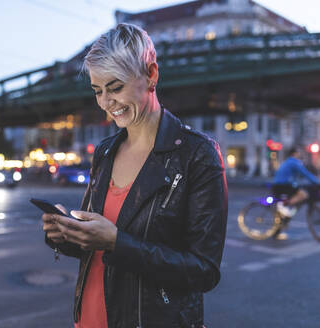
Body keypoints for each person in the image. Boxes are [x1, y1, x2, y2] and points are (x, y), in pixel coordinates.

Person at [42, 23, 228, 328]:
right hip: (89, 319)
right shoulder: (105, 151)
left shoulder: (197, 154)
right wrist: (65, 235)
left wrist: (119, 243)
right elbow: (96, 244)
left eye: (115, 88)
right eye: (97, 91)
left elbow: (204, 271)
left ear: (151, 75)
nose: (105, 102)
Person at [272, 146, 320, 239]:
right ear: (293, 153)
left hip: (283, 185)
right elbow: (305, 173)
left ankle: (284, 217)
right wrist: (317, 182)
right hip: (283, 185)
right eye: (298, 152)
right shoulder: (294, 162)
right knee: (304, 195)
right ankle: (286, 205)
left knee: (298, 199)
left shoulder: (289, 161)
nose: (300, 154)